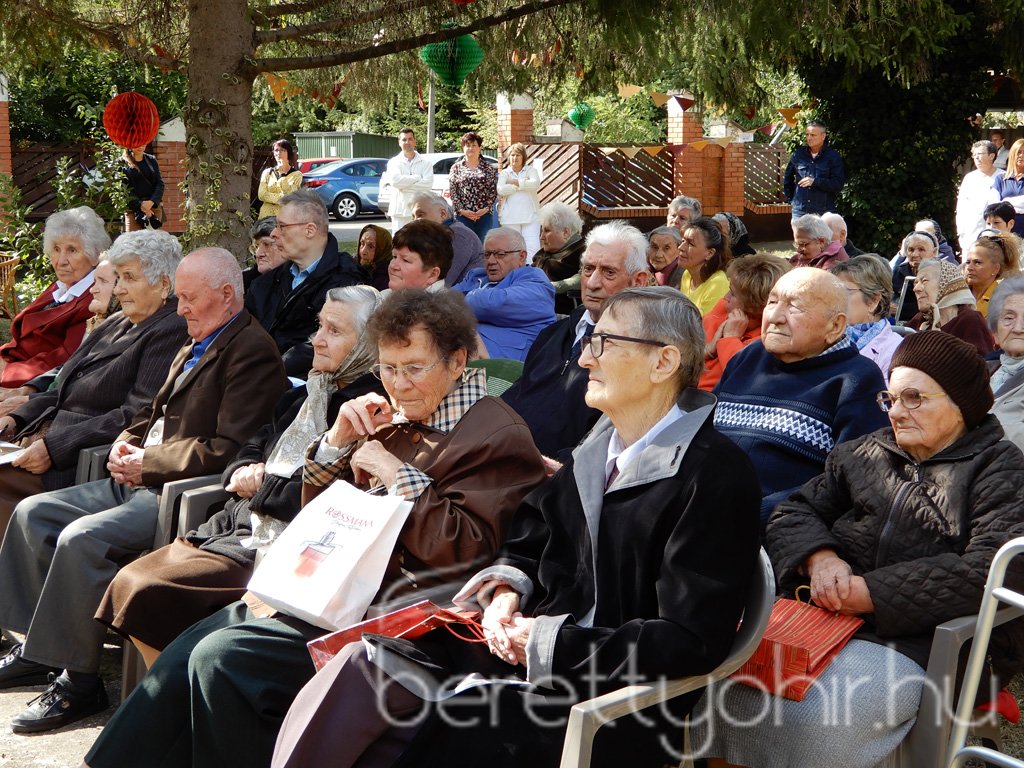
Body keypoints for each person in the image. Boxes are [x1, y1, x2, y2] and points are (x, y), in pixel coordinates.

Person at [269, 287, 763, 768]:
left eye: (604, 344)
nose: (586, 360)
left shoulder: (715, 476)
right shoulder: (595, 453)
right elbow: (528, 541)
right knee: (363, 668)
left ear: (664, 363)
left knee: (448, 722)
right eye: (590, 343)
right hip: (520, 659)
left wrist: (546, 641)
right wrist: (506, 587)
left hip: (608, 700)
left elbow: (690, 640)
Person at [83, 289, 547, 768]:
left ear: (456, 362)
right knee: (190, 649)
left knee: (222, 659)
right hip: (333, 589)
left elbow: (465, 551)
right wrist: (334, 444)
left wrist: (394, 473)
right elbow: (319, 512)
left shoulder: (495, 433)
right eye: (388, 368)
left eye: (414, 367)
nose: (399, 384)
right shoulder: (397, 418)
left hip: (404, 616)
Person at [694, 331, 1024, 768]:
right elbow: (793, 510)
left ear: (961, 403)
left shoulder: (1001, 469)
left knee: (819, 719)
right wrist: (821, 558)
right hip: (823, 619)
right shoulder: (865, 452)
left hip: (924, 643)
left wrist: (871, 593)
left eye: (914, 398)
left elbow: (991, 570)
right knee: (719, 689)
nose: (897, 413)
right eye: (890, 399)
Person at [0, 248, 288, 733]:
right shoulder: (197, 336)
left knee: (81, 539)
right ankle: (36, 647)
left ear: (226, 294)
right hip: (137, 476)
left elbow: (228, 448)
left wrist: (148, 462)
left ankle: (79, 682)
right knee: (32, 512)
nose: (181, 311)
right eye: (179, 299)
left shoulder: (250, 351)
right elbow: (150, 413)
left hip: (173, 493)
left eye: (191, 299)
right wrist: (125, 442)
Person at [95, 286, 384, 667]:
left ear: (367, 343)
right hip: (234, 523)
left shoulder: (366, 409)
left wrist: (263, 484)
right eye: (319, 326)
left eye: (334, 331)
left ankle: (172, 699)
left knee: (144, 588)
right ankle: (172, 697)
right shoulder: (306, 393)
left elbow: (325, 494)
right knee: (130, 583)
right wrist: (245, 469)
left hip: (282, 545)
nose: (317, 340)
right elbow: (250, 445)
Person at [0, 230, 188, 530]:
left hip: (77, 460)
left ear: (164, 283)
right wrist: (15, 419)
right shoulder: (117, 321)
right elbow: (61, 389)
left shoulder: (171, 329)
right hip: (38, 440)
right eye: (118, 278)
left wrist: (55, 448)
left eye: (129, 278)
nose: (118, 289)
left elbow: (136, 415)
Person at [713, 267, 889, 523]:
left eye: (794, 307)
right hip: (702, 506)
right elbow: (701, 433)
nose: (774, 316)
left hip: (772, 527)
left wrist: (758, 513)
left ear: (835, 325)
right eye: (772, 301)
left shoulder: (856, 380)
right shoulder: (747, 358)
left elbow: (850, 481)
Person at [502, 221, 651, 459]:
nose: (592, 283)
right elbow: (516, 398)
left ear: (638, 281)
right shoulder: (554, 334)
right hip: (506, 458)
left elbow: (611, 444)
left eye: (608, 272)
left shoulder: (642, 352)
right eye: (588, 269)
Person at [245, 189, 362, 378]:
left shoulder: (347, 284)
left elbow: (319, 347)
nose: (274, 234)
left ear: (310, 230)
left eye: (282, 227)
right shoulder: (267, 281)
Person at [0, 206, 110, 387]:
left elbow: (65, 358)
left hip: (26, 382)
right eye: (56, 249)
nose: (61, 260)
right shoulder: (61, 286)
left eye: (72, 250)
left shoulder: (93, 298)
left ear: (94, 254)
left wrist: (6, 372)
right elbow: (22, 337)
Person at [452, 227, 555, 361]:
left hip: (504, 371)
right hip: (461, 356)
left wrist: (465, 299)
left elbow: (495, 303)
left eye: (500, 254)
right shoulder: (476, 275)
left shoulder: (535, 280)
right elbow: (444, 300)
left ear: (522, 257)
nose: (491, 261)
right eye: (487, 254)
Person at [699, 254, 790, 391]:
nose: (725, 297)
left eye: (733, 293)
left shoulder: (771, 339)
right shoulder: (722, 310)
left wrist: (730, 339)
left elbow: (744, 377)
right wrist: (707, 351)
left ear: (755, 306)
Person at [831, 255, 903, 382]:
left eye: (844, 292)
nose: (835, 300)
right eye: (833, 292)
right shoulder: (825, 337)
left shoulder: (896, 350)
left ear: (873, 301)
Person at [911, 258, 995, 356]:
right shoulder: (919, 320)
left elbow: (979, 365)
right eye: (915, 283)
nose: (916, 289)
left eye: (924, 281)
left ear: (946, 284)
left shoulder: (970, 320)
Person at [409, 191, 483, 286]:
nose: (415, 221)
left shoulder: (458, 235)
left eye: (420, 215)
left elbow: (442, 283)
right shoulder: (437, 235)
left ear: (443, 214)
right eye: (413, 217)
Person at [783, 120, 845, 217]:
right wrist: (792, 201)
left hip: (824, 213)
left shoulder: (833, 157)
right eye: (807, 134)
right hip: (800, 212)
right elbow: (788, 179)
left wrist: (815, 181)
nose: (809, 138)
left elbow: (838, 184)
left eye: (813, 135)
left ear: (823, 136)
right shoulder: (798, 155)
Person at [533, 202, 585, 314]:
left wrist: (551, 287)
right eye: (541, 231)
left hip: (563, 318)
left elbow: (585, 278)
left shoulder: (585, 250)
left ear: (565, 232)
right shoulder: (544, 253)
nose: (541, 237)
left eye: (547, 230)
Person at [381, 128, 433, 234]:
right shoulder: (393, 162)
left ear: (414, 141)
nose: (407, 142)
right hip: (400, 212)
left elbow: (427, 185)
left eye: (410, 139)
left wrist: (404, 186)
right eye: (404, 140)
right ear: (399, 142)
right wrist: (417, 178)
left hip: (420, 211)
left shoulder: (426, 163)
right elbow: (395, 182)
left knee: (419, 245)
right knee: (399, 244)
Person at [956, 140, 1003, 256]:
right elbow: (961, 207)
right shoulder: (969, 178)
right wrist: (961, 232)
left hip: (995, 234)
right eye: (974, 154)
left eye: (980, 154)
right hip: (970, 234)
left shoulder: (1003, 177)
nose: (976, 158)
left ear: (992, 156)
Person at [449, 131, 498, 240]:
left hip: (484, 216)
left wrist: (485, 209)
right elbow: (453, 192)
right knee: (464, 246)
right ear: (463, 148)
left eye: (474, 145)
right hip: (462, 216)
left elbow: (493, 191)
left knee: (482, 247)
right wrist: (462, 211)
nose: (471, 148)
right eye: (468, 145)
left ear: (480, 148)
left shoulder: (488, 168)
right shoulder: (456, 168)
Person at [679, 217, 732, 315]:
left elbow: (706, 327)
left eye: (690, 244)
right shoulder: (687, 274)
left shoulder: (718, 283)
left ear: (709, 253)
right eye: (682, 241)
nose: (681, 248)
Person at [383, 219, 453, 293]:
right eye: (394, 256)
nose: (393, 266)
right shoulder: (386, 297)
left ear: (432, 274)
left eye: (405, 260)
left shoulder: (439, 304)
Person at [964, 229, 1022, 317]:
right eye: (968, 262)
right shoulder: (957, 294)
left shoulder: (1005, 300)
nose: (969, 268)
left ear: (995, 269)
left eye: (977, 263)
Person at [497, 142, 541, 256]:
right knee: (512, 248)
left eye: (518, 155)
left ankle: (530, 271)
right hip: (510, 218)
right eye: (512, 155)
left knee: (532, 247)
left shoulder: (531, 170)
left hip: (531, 217)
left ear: (523, 157)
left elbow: (535, 183)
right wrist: (521, 186)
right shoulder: (505, 173)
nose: (514, 158)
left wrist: (514, 182)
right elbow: (500, 189)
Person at [892, 230, 939, 322]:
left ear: (934, 252)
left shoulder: (942, 272)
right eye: (911, 250)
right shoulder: (899, 271)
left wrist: (901, 309)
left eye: (921, 250)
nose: (915, 255)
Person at [121, 144, 164, 231]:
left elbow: (159, 183)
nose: (140, 147)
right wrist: (141, 205)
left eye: (143, 144)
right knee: (133, 241)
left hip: (153, 208)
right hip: (133, 209)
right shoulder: (122, 162)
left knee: (154, 241)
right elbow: (123, 188)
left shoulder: (151, 159)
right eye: (137, 144)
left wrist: (151, 202)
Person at [257, 139, 303, 219]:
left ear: (288, 153)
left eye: (283, 150)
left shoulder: (296, 175)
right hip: (266, 217)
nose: (279, 153)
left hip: (286, 218)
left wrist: (271, 198)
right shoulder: (267, 173)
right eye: (276, 150)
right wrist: (282, 197)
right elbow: (262, 195)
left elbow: (290, 198)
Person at [244, 217, 287, 292]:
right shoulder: (243, 284)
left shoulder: (301, 282)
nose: (258, 254)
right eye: (256, 246)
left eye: (266, 245)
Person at [356, 224, 393, 290]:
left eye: (371, 247)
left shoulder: (385, 281)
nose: (363, 252)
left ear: (383, 250)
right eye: (362, 243)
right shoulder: (352, 267)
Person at [996, 138, 1024, 214]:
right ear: (1012, 154)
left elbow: (1001, 205)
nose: (1021, 155)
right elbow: (994, 205)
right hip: (1005, 225)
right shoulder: (1000, 179)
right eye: (1018, 152)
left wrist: (1006, 202)